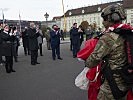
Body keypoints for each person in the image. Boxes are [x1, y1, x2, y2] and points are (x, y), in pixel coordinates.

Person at [85, 4, 128, 100]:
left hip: (111, 85)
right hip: (126, 81)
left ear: (111, 18)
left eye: (104, 18)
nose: (103, 21)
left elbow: (92, 61)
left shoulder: (108, 37)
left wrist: (86, 60)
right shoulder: (128, 32)